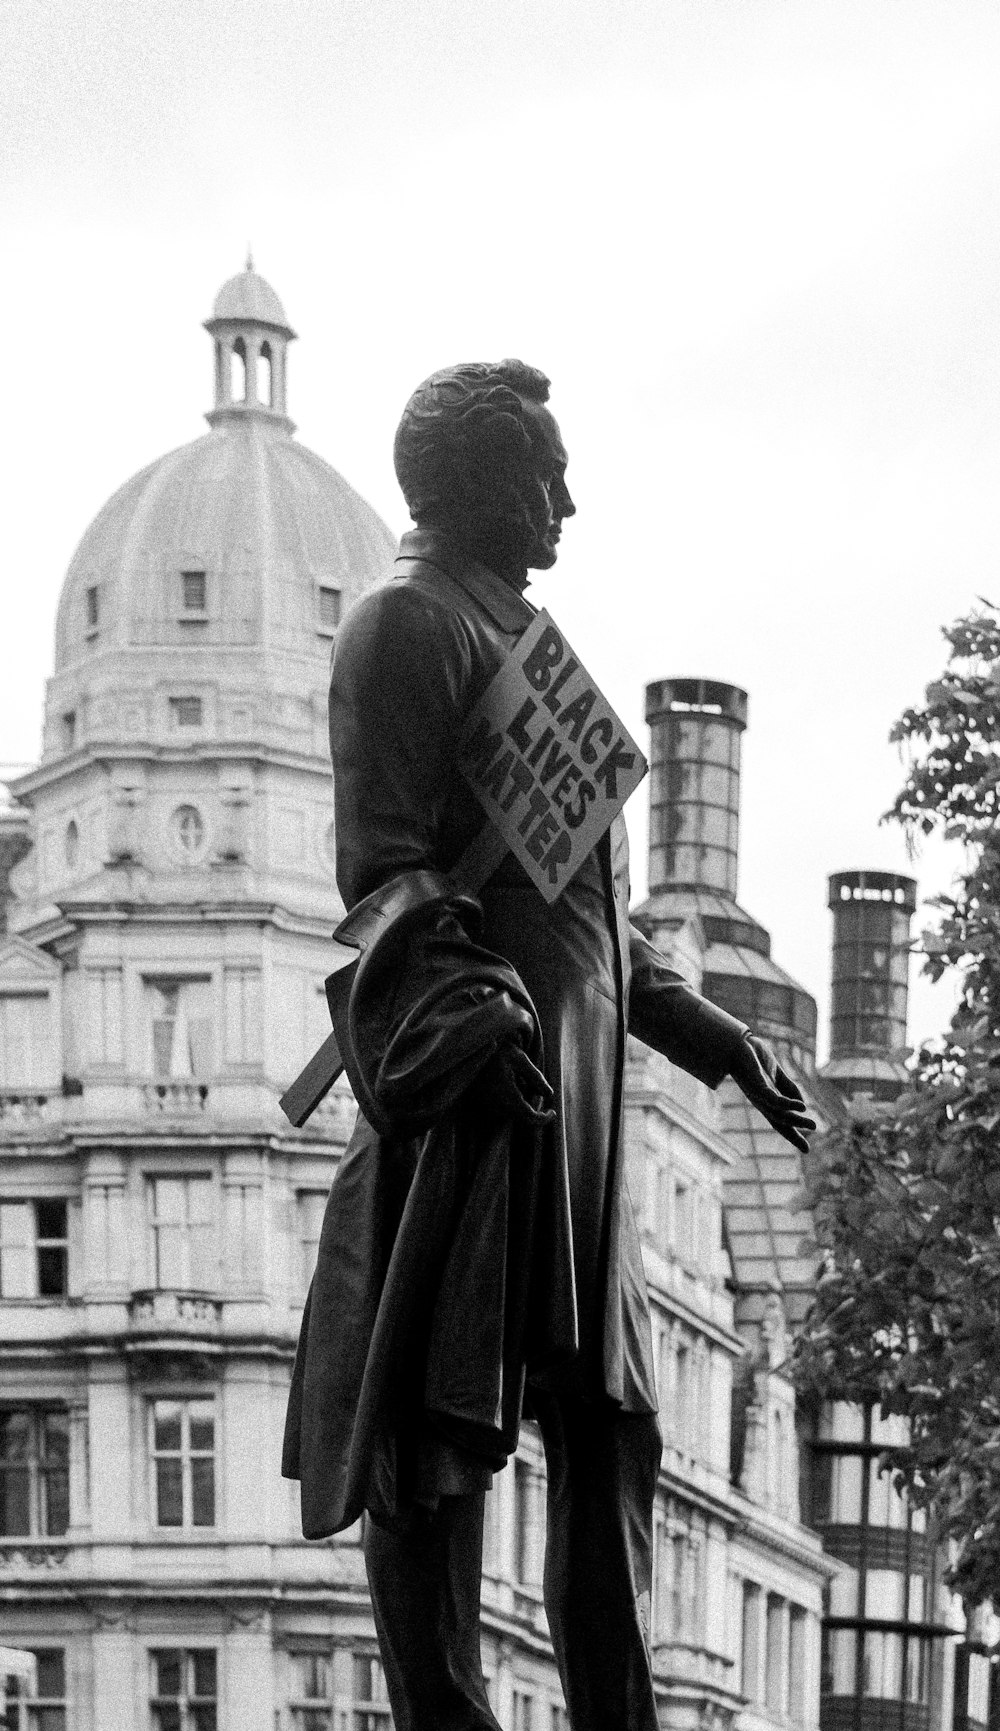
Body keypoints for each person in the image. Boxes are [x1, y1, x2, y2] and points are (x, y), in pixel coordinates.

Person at [282, 360, 814, 1731]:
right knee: (439, 1444)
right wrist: (475, 1009)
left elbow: (593, 917)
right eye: (542, 473)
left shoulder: (532, 643)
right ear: (470, 482)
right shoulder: (405, 625)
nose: (567, 499)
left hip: (577, 1115)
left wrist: (713, 1037)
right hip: (480, 1098)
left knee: (616, 1432)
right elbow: (385, 872)